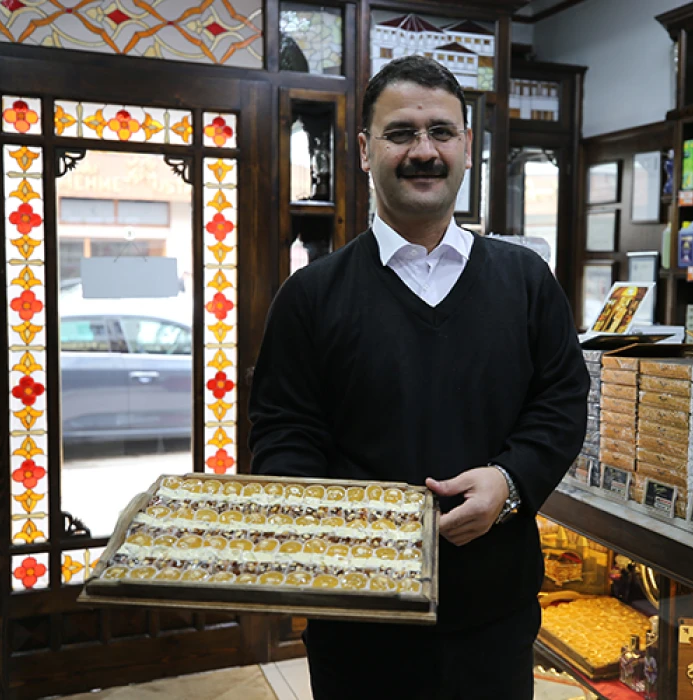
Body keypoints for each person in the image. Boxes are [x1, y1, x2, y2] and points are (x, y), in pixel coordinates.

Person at [248, 55, 589, 700]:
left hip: (494, 614)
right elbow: (284, 429)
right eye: (400, 133)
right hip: (359, 618)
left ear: (468, 147)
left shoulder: (525, 281)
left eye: (441, 132)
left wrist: (510, 482)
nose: (423, 151)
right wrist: (334, 525)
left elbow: (562, 400)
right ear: (364, 150)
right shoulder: (311, 295)